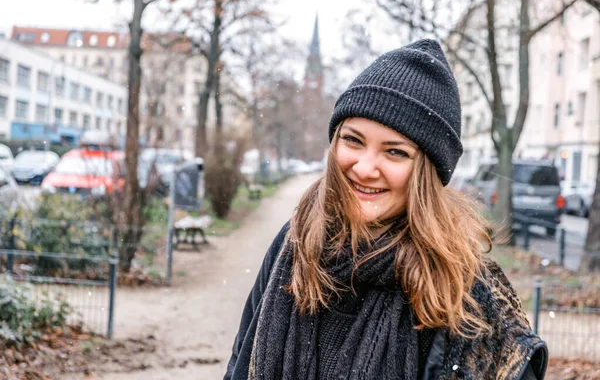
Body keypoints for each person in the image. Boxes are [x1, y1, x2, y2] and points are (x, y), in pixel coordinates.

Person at [225, 39, 548, 380]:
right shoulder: (295, 244)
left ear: (427, 172)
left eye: (394, 152)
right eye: (353, 140)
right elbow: (239, 364)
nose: (365, 168)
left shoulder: (468, 294)